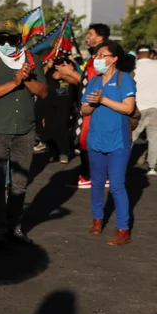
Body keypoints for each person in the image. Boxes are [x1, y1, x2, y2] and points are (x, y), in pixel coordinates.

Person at [0, 20, 48, 250]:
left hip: (25, 130)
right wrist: (15, 81)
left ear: (20, 39)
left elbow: (44, 92)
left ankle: (14, 226)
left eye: (11, 39)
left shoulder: (33, 60)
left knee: (19, 184)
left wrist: (27, 79)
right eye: (2, 39)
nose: (7, 44)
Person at [83, 41, 137, 246]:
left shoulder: (124, 80)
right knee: (96, 184)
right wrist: (91, 103)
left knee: (116, 185)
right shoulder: (94, 81)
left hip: (118, 141)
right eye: (96, 55)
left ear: (113, 58)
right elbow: (84, 110)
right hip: (96, 139)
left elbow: (129, 108)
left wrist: (103, 100)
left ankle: (123, 229)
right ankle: (97, 219)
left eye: (102, 55)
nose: (97, 59)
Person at [76, 23, 112, 188]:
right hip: (92, 105)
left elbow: (95, 82)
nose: (87, 37)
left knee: (87, 138)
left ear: (100, 36)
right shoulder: (94, 57)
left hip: (94, 107)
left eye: (90, 33)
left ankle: (92, 175)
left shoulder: (100, 58)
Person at [41, 56, 81, 164]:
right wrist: (47, 66)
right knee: (49, 128)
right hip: (49, 103)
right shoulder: (50, 68)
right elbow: (40, 77)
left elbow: (76, 81)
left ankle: (64, 152)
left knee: (62, 127)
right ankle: (54, 152)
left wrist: (63, 75)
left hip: (65, 104)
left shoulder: (68, 67)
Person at [133, 45, 157, 176]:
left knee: (131, 136)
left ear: (137, 55)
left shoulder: (134, 67)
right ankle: (152, 167)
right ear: (149, 54)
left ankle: (121, 163)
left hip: (138, 107)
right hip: (156, 106)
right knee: (154, 138)